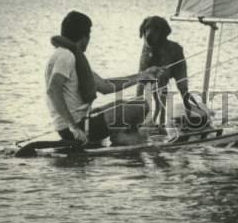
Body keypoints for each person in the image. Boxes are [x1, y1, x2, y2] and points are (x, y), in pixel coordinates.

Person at [45, 10, 162, 147]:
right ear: (84, 37)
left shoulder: (67, 56)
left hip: (79, 123)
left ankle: (121, 135)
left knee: (135, 103)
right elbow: (53, 90)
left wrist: (143, 75)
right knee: (141, 107)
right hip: (78, 127)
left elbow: (105, 86)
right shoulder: (67, 56)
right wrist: (73, 127)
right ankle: (121, 138)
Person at [136, 15, 205, 126]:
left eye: (156, 29)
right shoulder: (145, 51)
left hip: (176, 58)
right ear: (143, 30)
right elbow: (140, 86)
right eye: (147, 28)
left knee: (182, 88)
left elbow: (163, 86)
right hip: (154, 57)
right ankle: (138, 120)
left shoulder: (173, 49)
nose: (149, 33)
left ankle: (167, 120)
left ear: (163, 33)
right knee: (143, 86)